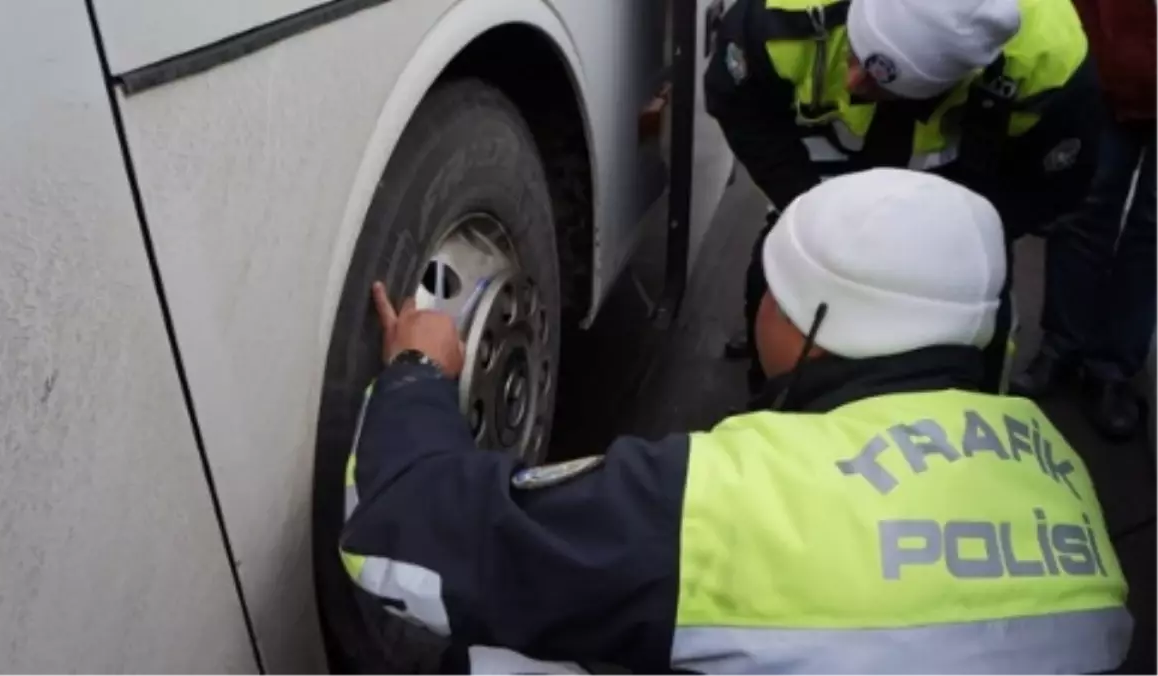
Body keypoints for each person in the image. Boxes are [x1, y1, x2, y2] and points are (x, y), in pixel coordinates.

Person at [339, 169, 1132, 675]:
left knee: (495, 663)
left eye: (770, 293)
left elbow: (396, 536)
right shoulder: (1060, 473)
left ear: (810, 325)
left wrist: (416, 374)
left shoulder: (732, 502)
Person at [704, 0, 1101, 400]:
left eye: (881, 79)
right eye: (858, 54)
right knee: (777, 268)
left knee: (979, 318)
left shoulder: (1054, 63)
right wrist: (810, 204)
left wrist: (955, 243)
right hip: (821, 153)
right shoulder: (777, 15)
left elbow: (1053, 185)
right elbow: (738, 105)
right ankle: (773, 390)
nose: (853, 82)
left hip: (962, 180)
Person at [1012, 0, 1156, 441]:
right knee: (1082, 205)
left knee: (1152, 228)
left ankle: (1111, 368)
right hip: (1106, 63)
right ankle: (1061, 345)